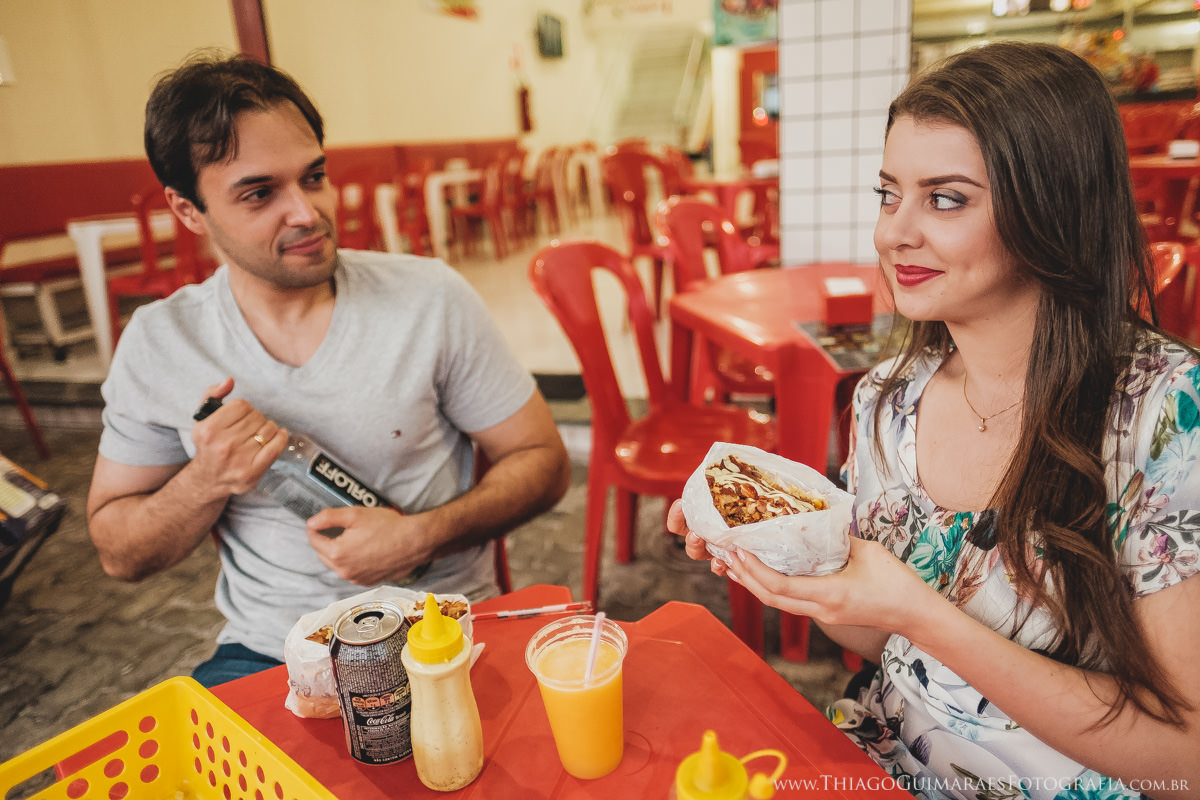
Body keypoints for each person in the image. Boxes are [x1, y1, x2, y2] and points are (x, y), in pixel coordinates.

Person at [669, 42, 1199, 798]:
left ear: (1053, 206)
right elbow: (878, 634)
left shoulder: (1163, 416)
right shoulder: (886, 398)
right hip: (884, 760)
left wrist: (925, 615)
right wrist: (780, 561)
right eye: (889, 194)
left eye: (945, 199)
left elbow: (1187, 760)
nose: (893, 234)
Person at [86, 52, 571, 687]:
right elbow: (119, 553)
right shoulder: (161, 341)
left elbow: (544, 462)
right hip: (269, 651)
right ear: (188, 212)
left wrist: (419, 538)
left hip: (437, 635)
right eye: (260, 193)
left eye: (313, 177)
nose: (306, 212)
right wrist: (205, 479)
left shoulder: (427, 298)